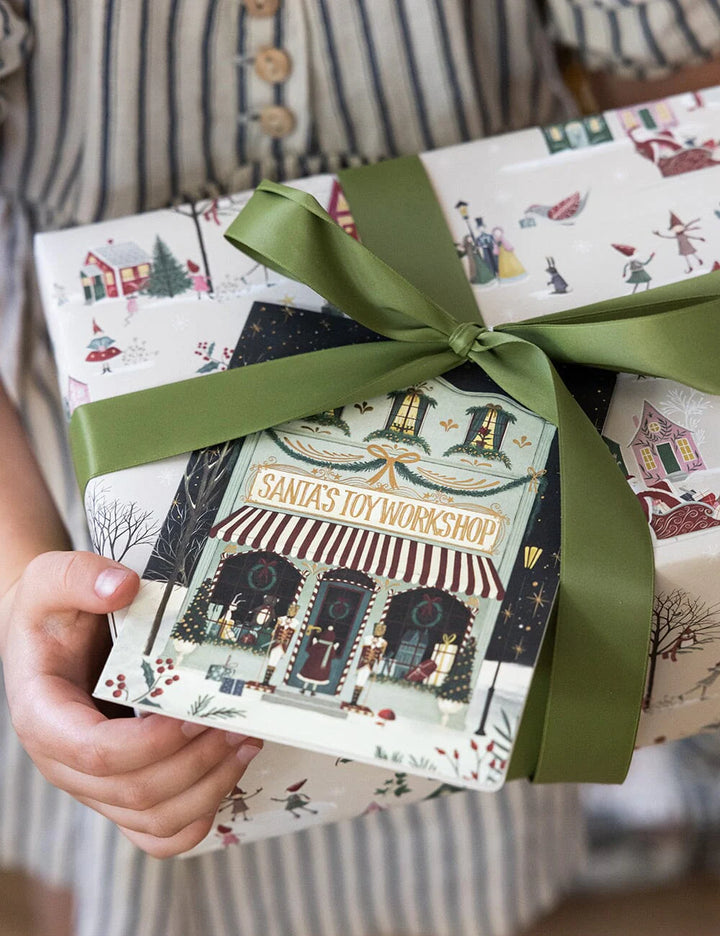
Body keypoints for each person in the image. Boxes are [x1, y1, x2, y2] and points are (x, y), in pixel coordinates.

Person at [3, 2, 720, 935]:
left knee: (465, 821)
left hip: (533, 433)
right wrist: (22, 574)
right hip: (90, 491)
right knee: (144, 836)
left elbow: (660, 106)